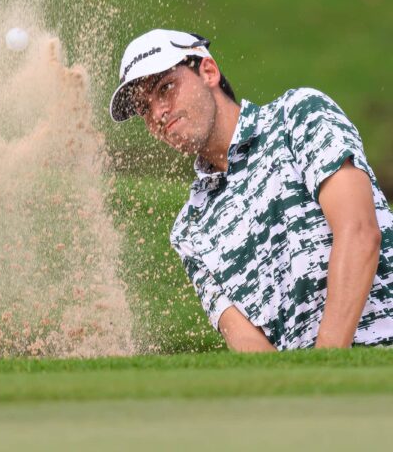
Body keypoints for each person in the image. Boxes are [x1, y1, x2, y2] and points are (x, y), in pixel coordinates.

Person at [109, 29, 393, 352]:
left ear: (208, 71)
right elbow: (247, 343)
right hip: (312, 391)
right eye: (145, 109)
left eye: (166, 88)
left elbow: (359, 233)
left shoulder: (298, 116)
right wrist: (300, 395)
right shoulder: (189, 230)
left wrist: (323, 367)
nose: (158, 113)